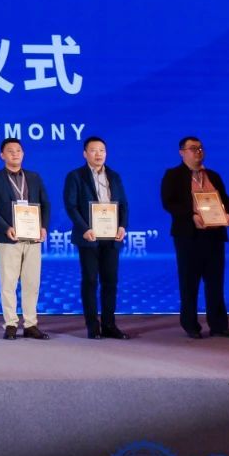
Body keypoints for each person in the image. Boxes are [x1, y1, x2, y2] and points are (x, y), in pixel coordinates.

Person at [160, 136, 229, 339]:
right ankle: (190, 325)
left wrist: (228, 214)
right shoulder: (173, 175)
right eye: (192, 148)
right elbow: (169, 203)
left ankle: (219, 325)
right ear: (181, 152)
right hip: (189, 236)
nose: (198, 151)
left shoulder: (213, 175)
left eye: (200, 148)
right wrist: (191, 215)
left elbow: (226, 200)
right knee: (189, 282)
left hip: (214, 235)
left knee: (215, 283)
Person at [63, 137, 130, 340]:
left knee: (110, 281)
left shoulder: (114, 176)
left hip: (111, 236)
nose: (98, 154)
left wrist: (122, 226)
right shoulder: (76, 176)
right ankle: (93, 326)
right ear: (85, 154)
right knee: (90, 280)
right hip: (89, 236)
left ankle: (109, 324)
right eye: (93, 150)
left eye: (102, 150)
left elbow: (123, 204)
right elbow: (71, 206)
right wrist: (84, 228)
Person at [0, 138, 50, 341]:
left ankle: (31, 324)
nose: (15, 153)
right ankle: (11, 324)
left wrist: (43, 227)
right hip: (8, 237)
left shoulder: (34, 177)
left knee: (32, 282)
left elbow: (45, 204)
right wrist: (6, 227)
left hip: (32, 238)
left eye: (18, 150)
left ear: (23, 154)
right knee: (8, 283)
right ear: (2, 155)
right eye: (10, 151)